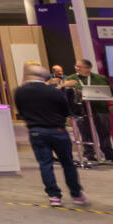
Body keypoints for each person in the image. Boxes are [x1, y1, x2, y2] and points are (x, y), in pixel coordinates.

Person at [14, 62, 88, 208]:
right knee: (67, 163)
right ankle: (76, 194)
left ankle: (54, 196)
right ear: (43, 77)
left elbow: (20, 111)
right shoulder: (53, 91)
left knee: (45, 164)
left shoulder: (19, 92)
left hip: (36, 130)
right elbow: (65, 109)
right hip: (57, 130)